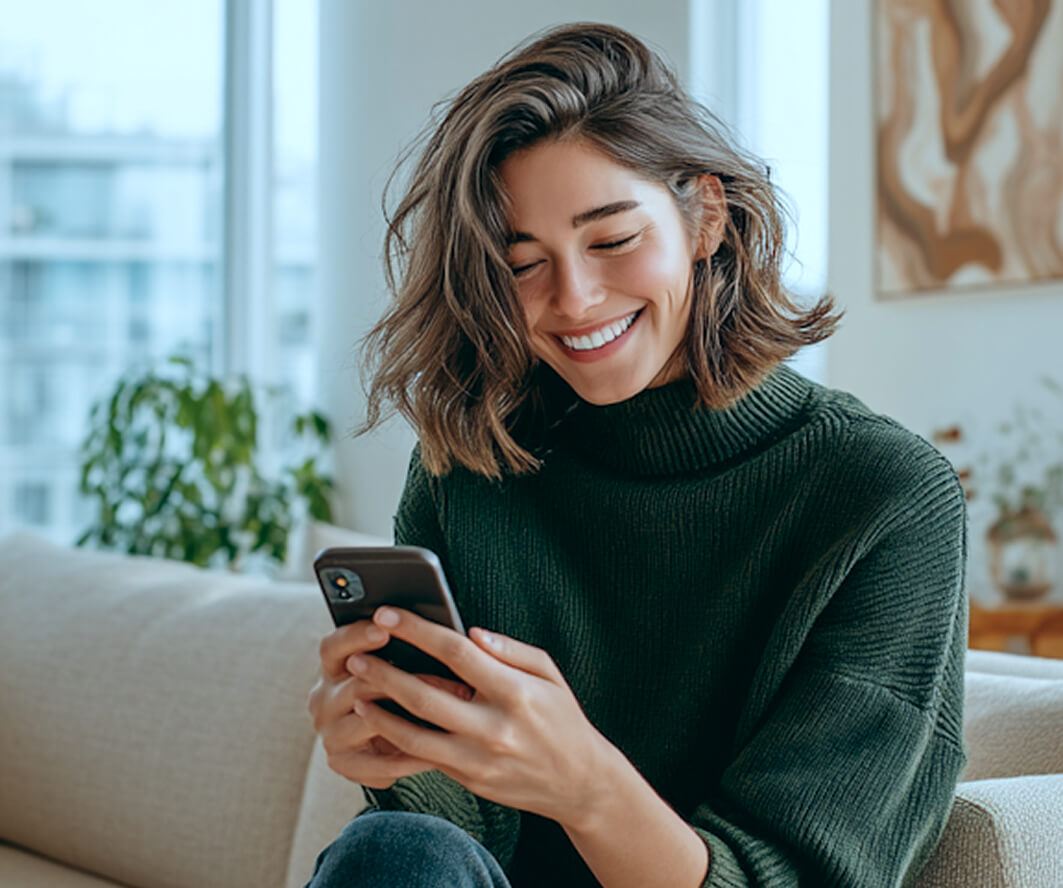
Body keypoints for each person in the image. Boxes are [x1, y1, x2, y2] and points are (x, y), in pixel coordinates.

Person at [305, 21, 968, 888]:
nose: (572, 300)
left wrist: (585, 784)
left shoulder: (881, 498)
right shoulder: (472, 466)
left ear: (705, 218)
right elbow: (455, 840)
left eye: (612, 240)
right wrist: (402, 750)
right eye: (521, 263)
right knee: (394, 849)